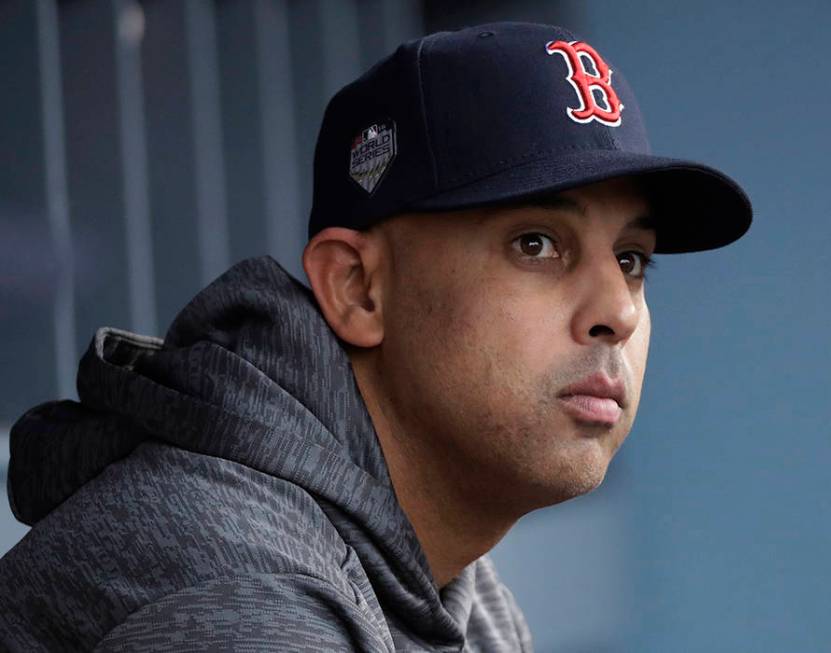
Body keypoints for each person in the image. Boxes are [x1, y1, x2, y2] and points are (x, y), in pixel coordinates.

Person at [0, 21, 751, 652]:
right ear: (358, 288)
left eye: (631, 259)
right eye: (536, 243)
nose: (616, 309)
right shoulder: (239, 591)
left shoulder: (457, 584)